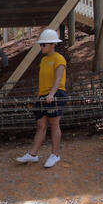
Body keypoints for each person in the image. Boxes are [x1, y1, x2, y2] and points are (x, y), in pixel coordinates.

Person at [16, 29, 67, 168]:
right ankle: (33, 155)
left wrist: (51, 94)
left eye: (44, 44)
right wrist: (42, 95)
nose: (41, 47)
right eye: (41, 44)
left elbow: (58, 79)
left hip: (55, 94)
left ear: (52, 45)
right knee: (41, 125)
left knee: (54, 124)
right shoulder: (44, 60)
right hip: (43, 96)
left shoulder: (59, 59)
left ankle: (55, 155)